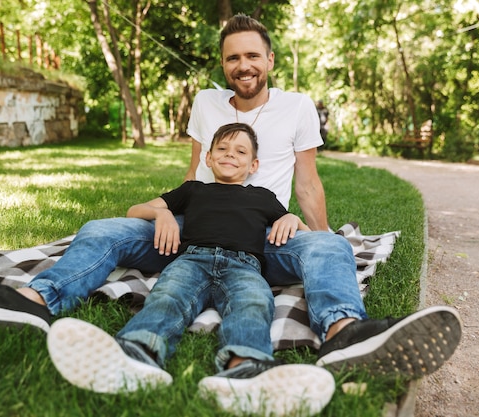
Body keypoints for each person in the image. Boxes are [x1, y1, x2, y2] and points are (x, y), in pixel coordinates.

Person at [0, 12, 461, 392]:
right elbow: (190, 174)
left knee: (327, 248)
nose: (242, 66)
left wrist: (314, 233)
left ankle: (343, 333)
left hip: (263, 241)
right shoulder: (204, 101)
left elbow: (309, 181)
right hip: (190, 233)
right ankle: (33, 302)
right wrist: (171, 213)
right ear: (223, 64)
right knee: (102, 229)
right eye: (231, 58)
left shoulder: (296, 106)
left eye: (252, 56)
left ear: (269, 58)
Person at [47, 122, 335, 416]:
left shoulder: (262, 196)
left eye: (240, 151)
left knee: (253, 305)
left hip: (244, 266)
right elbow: (135, 210)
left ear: (254, 164)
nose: (229, 155)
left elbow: (295, 226)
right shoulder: (193, 190)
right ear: (207, 158)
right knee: (167, 296)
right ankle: (136, 354)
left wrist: (290, 220)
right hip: (191, 260)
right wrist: (162, 214)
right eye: (221, 149)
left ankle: (246, 372)